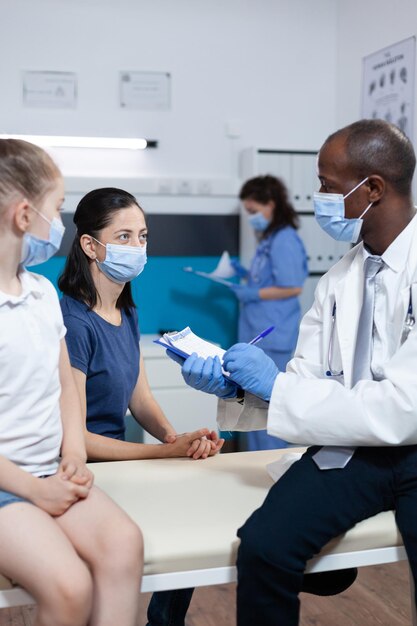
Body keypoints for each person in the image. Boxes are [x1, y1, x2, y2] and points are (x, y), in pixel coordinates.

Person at [171, 119, 417, 624]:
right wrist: (241, 389)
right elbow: (307, 381)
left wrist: (277, 387)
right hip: (356, 449)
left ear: (372, 188)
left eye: (327, 184)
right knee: (264, 546)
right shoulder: (337, 280)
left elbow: (404, 409)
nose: (317, 196)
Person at [58, 187, 224, 626]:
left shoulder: (125, 310)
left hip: (118, 462)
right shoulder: (73, 323)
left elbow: (140, 398)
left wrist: (177, 439)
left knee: (191, 525)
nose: (138, 248)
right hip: (81, 467)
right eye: (125, 237)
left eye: (143, 236)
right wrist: (162, 452)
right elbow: (75, 440)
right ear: (91, 246)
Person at [0, 139, 143, 626]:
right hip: (6, 483)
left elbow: (64, 384)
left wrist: (74, 456)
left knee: (124, 545)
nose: (59, 224)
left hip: (51, 470)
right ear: (24, 215)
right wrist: (34, 491)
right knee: (69, 587)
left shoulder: (41, 293)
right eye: (56, 210)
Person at [229, 175, 308, 450]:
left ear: (271, 204)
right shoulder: (269, 239)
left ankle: (269, 468)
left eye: (254, 211)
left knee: (266, 410)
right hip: (258, 330)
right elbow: (269, 278)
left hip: (273, 336)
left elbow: (292, 286)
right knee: (253, 409)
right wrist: (246, 276)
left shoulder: (284, 239)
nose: (251, 218)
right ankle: (257, 462)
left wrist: (252, 293)